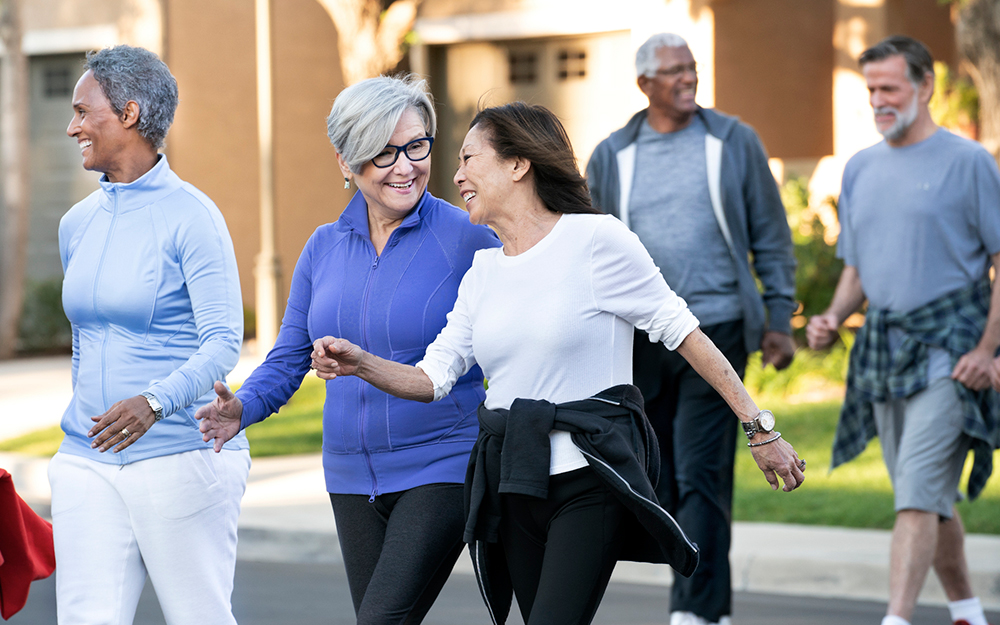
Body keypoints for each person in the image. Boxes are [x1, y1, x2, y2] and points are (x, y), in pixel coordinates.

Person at [304, 102, 805, 625]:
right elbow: (433, 378)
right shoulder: (483, 271)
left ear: (518, 164)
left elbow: (684, 334)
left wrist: (759, 428)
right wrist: (361, 363)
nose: (455, 176)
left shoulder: (596, 241)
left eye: (470, 159)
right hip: (515, 481)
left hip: (590, 477)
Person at [195, 75, 501, 624]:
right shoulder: (322, 247)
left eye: (417, 145)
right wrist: (242, 408)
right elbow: (289, 356)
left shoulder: (468, 237)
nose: (406, 166)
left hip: (442, 462)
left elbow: (512, 340)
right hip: (348, 475)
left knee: (380, 620)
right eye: (385, 153)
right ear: (345, 161)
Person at [585, 32, 797, 625]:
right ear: (645, 84)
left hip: (718, 327)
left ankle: (695, 611)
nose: (687, 79)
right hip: (642, 338)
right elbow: (590, 245)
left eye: (691, 68)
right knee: (665, 473)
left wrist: (778, 317)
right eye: (673, 72)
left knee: (703, 469)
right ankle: (708, 605)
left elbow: (770, 235)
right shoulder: (612, 155)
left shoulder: (732, 142)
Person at [50, 45, 248, 625]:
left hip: (178, 456)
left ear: (130, 113)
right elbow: (85, 337)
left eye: (84, 112)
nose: (72, 127)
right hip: (86, 459)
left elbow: (221, 343)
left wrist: (154, 404)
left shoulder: (194, 217)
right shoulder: (76, 224)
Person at [806, 35, 1000, 625]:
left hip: (953, 348)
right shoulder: (860, 168)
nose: (878, 101)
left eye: (889, 87)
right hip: (884, 351)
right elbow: (858, 271)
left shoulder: (970, 163)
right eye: (871, 90)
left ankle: (896, 618)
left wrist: (989, 349)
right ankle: (967, 610)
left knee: (917, 491)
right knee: (926, 496)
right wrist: (834, 317)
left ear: (925, 85)